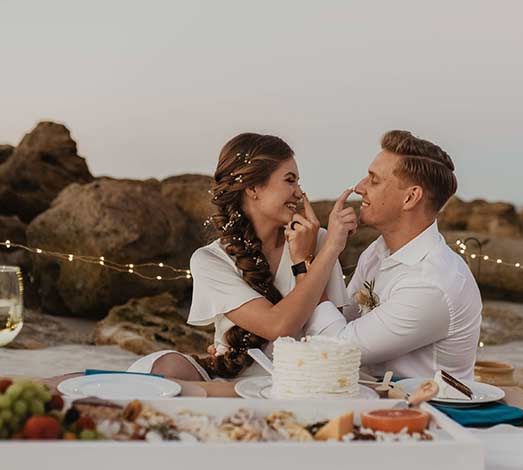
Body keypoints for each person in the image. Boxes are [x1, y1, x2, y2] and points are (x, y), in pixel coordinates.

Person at [128, 133, 357, 380]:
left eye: (298, 182)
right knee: (167, 367)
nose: (299, 193)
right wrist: (310, 259)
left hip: (303, 380)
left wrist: (320, 251)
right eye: (290, 181)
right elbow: (277, 325)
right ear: (253, 188)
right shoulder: (209, 260)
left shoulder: (318, 239)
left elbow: (334, 337)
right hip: (233, 378)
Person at [304, 130, 482, 379]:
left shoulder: (432, 283)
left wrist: (304, 265)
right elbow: (341, 318)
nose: (359, 187)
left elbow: (339, 348)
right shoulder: (378, 251)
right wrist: (330, 248)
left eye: (374, 180)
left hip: (429, 412)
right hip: (374, 400)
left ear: (410, 198)